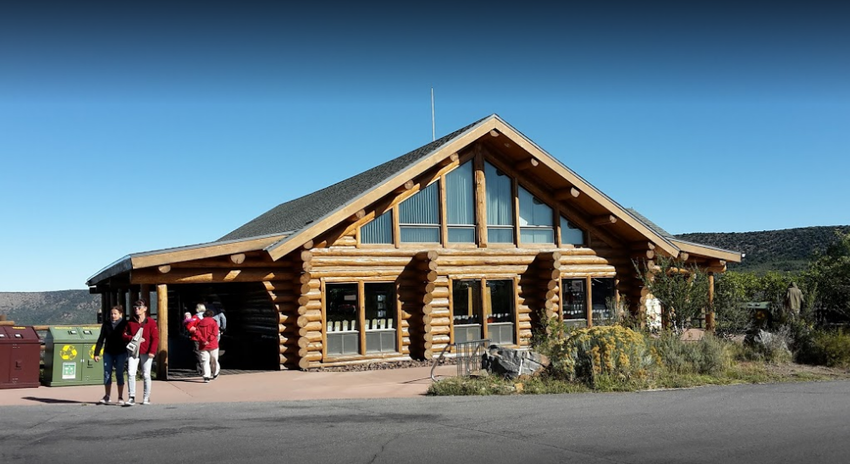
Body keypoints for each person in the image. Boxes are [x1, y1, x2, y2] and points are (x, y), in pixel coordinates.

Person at [123, 299, 159, 406]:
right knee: (131, 373)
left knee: (146, 374)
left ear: (145, 309)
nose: (137, 309)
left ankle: (146, 397)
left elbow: (155, 338)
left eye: (139, 307)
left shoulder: (151, 322)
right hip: (134, 351)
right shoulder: (130, 322)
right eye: (135, 307)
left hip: (146, 351)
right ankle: (131, 397)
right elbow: (123, 335)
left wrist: (152, 351)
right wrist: (132, 338)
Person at [94, 305, 128, 405]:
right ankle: (107, 396)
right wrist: (96, 353)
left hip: (121, 352)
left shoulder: (125, 324)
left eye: (115, 314)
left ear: (120, 314)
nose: (113, 316)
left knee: (119, 374)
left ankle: (120, 397)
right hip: (108, 352)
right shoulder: (106, 324)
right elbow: (101, 339)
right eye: (111, 314)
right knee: (107, 374)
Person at [195, 308, 220, 383]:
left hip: (203, 345)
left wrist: (203, 340)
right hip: (213, 343)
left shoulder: (199, 323)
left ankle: (206, 376)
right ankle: (215, 373)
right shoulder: (214, 322)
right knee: (214, 359)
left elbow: (197, 333)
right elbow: (215, 333)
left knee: (204, 360)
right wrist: (209, 340)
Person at [184, 304, 205, 375]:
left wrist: (195, 330)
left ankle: (200, 369)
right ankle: (207, 368)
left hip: (197, 338)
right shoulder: (208, 317)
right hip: (206, 338)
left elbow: (189, 327)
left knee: (197, 352)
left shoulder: (195, 317)